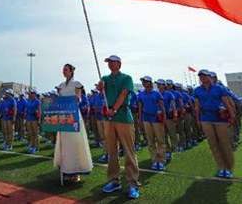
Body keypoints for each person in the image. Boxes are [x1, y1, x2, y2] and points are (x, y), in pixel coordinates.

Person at [97, 55, 140, 199]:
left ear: (119, 63)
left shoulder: (126, 78)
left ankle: (133, 183)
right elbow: (100, 90)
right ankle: (114, 180)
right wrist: (99, 86)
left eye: (112, 62)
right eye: (108, 62)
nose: (109, 64)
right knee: (112, 150)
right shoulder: (105, 78)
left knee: (128, 150)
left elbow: (123, 94)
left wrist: (113, 109)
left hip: (122, 116)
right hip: (108, 118)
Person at [53, 64, 93, 183]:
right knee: (64, 143)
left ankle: (76, 172)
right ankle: (66, 170)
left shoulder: (77, 84)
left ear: (71, 71)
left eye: (66, 69)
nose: (64, 71)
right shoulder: (60, 86)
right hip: (63, 116)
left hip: (73, 115)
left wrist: (76, 98)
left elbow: (79, 99)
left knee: (75, 142)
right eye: (63, 69)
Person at [194, 69, 235, 179]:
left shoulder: (219, 89)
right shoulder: (197, 90)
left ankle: (229, 167)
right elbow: (197, 106)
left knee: (224, 143)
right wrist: (197, 119)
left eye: (205, 76)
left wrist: (231, 117)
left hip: (220, 118)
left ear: (209, 77)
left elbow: (227, 103)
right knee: (213, 144)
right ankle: (221, 167)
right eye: (200, 76)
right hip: (206, 118)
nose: (202, 78)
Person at [137, 76, 167, 171]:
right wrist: (140, 119)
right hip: (146, 119)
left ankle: (162, 161)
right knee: (150, 141)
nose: (144, 83)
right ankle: (154, 161)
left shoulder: (156, 94)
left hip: (156, 119)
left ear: (150, 83)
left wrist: (164, 118)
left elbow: (162, 107)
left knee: (160, 140)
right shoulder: (141, 95)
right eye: (143, 82)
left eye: (146, 82)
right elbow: (140, 108)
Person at [25, 89, 41, 153]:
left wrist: (39, 119)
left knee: (35, 134)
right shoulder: (29, 101)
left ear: (35, 94)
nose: (30, 95)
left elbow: (39, 110)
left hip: (35, 119)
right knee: (31, 134)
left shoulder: (37, 101)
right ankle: (32, 146)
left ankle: (36, 147)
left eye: (31, 93)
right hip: (29, 118)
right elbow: (27, 110)